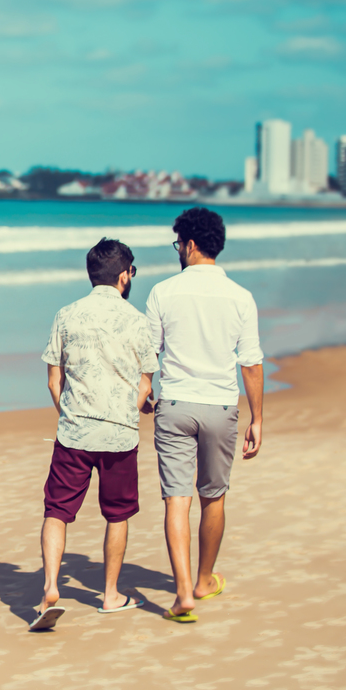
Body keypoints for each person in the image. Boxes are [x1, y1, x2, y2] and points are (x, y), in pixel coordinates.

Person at [31, 238, 158, 632]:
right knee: (117, 514)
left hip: (74, 431)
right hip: (119, 434)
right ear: (125, 275)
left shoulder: (66, 315)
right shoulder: (138, 321)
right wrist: (133, 406)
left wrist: (70, 413)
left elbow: (54, 380)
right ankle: (110, 594)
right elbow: (144, 387)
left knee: (57, 510)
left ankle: (51, 586)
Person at [145, 207, 264, 623]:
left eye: (179, 243)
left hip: (175, 404)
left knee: (177, 500)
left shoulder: (162, 292)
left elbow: (149, 352)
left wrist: (145, 387)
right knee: (213, 496)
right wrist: (258, 419)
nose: (178, 250)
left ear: (191, 245)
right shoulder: (241, 297)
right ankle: (203, 579)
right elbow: (250, 363)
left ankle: (182, 594)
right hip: (220, 406)